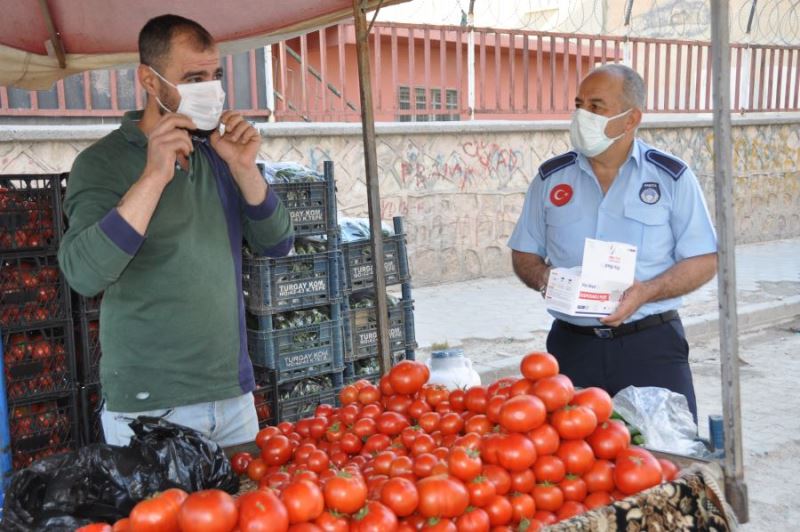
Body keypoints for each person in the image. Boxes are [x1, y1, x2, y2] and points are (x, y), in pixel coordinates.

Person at [58, 14, 294, 446]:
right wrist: (152, 176)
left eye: (215, 75)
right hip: (150, 407)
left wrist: (243, 168)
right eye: (193, 77)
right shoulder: (101, 163)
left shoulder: (217, 155)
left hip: (233, 398)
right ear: (149, 81)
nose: (210, 89)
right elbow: (84, 274)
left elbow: (278, 243)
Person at [508, 64, 717, 421]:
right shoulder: (549, 178)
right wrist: (545, 280)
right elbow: (524, 253)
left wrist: (647, 291)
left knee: (665, 459)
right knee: (574, 466)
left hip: (650, 345)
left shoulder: (671, 178)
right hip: (572, 348)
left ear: (630, 118)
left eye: (595, 107)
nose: (581, 115)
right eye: (578, 104)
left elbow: (705, 258)